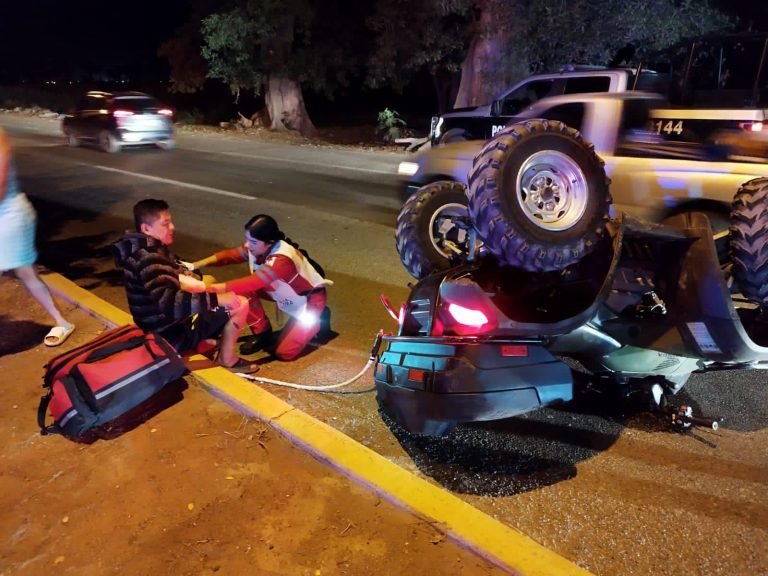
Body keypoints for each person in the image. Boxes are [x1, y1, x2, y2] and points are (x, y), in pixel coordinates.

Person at [112, 199, 258, 373]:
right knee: (239, 304)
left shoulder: (143, 249)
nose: (172, 227)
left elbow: (168, 277)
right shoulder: (150, 259)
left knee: (209, 281)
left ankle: (205, 340)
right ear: (146, 229)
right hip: (169, 336)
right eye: (165, 224)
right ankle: (227, 360)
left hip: (156, 327)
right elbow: (172, 305)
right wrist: (219, 299)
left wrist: (185, 274)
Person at [185, 214, 332, 361]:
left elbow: (253, 282)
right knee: (242, 292)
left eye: (253, 241)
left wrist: (204, 287)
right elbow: (229, 256)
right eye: (247, 239)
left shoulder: (282, 260)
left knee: (284, 353)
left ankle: (320, 317)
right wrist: (194, 265)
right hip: (283, 292)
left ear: (269, 242)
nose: (247, 245)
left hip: (308, 300)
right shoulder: (259, 246)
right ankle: (263, 334)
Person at [0, 127, 75, 347]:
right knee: (27, 274)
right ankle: (62, 321)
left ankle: (62, 322)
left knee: (27, 274)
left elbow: (1, 185)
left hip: (10, 217)